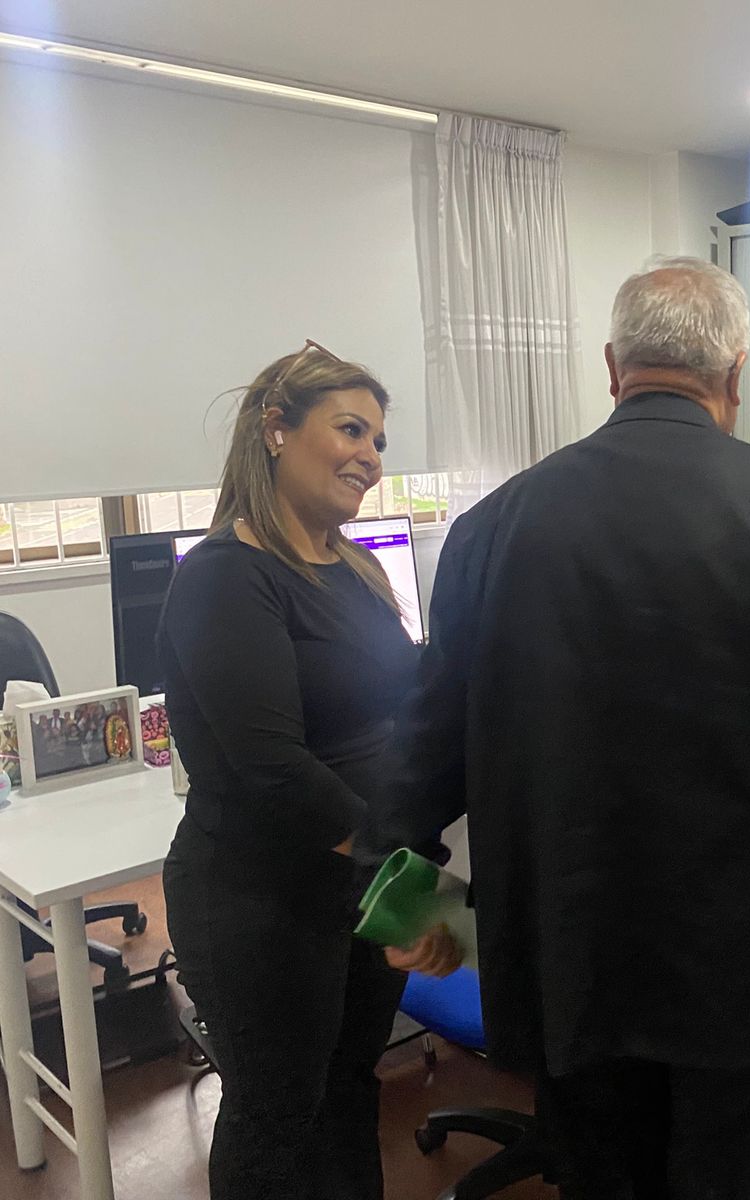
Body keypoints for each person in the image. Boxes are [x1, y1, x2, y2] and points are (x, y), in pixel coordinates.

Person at [372, 257, 750, 1198]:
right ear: (736, 375)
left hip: (566, 954)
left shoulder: (490, 526)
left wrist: (404, 904)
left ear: (611, 367)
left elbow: (428, 737)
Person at [159, 341, 452, 1200]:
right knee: (279, 1113)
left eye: (379, 441)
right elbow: (273, 770)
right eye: (351, 430)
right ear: (275, 430)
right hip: (261, 901)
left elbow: (406, 702)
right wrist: (404, 885)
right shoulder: (225, 577)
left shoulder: (353, 568)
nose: (371, 456)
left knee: (350, 1087)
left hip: (354, 886)